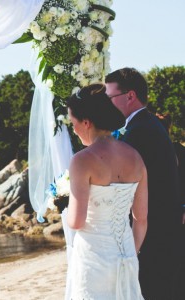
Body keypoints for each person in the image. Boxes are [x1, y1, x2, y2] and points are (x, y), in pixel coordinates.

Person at [105, 67, 184, 299]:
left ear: (130, 96)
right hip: (166, 229)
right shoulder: (148, 125)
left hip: (154, 235)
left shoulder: (138, 132)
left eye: (110, 97)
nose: (107, 104)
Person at [65, 84, 148, 299]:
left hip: (94, 259)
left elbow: (76, 221)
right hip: (127, 255)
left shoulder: (82, 160)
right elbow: (141, 219)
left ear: (86, 123)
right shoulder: (136, 157)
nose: (73, 130)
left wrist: (64, 206)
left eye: (73, 124)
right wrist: (130, 253)